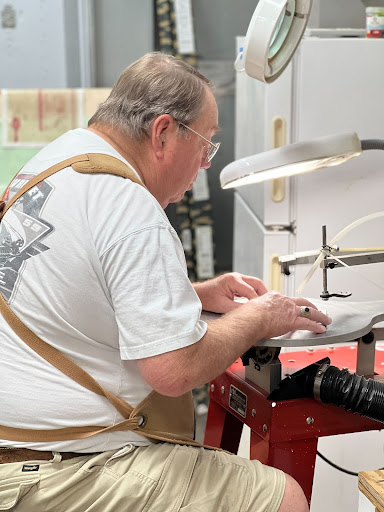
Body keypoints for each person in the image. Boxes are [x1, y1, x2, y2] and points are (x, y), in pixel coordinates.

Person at [0, 52, 331, 512]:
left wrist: (193, 295)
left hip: (19, 445)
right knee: (282, 497)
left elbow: (76, 293)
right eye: (206, 143)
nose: (205, 166)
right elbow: (175, 370)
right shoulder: (132, 211)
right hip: (55, 468)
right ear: (162, 132)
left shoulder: (59, 160)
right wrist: (263, 316)